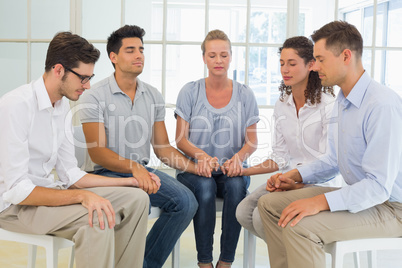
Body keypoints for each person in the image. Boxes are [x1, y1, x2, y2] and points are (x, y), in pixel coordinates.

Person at [257, 20, 402, 268]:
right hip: (359, 196)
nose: (315, 67)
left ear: (346, 56)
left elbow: (378, 187)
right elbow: (334, 160)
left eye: (321, 59)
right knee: (268, 204)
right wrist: (293, 175)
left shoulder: (382, 105)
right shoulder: (343, 100)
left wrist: (318, 202)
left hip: (391, 208)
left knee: (300, 227)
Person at [0, 32, 149, 268]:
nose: (88, 86)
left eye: (90, 78)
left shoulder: (61, 108)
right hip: (15, 207)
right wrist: (82, 196)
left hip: (47, 195)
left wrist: (129, 182)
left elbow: (70, 173)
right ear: (59, 70)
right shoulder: (15, 105)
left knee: (138, 199)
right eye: (82, 78)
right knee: (97, 219)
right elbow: (18, 190)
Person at [78, 25, 198, 268]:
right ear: (113, 57)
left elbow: (162, 148)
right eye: (130, 50)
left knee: (187, 202)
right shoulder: (94, 95)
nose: (139, 55)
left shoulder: (152, 95)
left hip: (142, 172)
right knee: (141, 201)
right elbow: (97, 152)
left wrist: (197, 168)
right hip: (104, 174)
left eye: (141, 50)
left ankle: (142, 264)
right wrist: (134, 168)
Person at [236, 36, 342, 241]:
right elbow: (280, 156)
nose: (285, 69)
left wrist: (295, 181)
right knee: (244, 212)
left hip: (318, 184)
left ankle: (291, 255)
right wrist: (244, 170)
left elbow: (329, 163)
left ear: (311, 65)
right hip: (288, 180)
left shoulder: (328, 106)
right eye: (282, 63)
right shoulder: (282, 104)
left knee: (261, 217)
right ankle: (288, 251)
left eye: (292, 64)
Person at [175, 29, 259, 268]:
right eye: (212, 55)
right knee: (204, 185)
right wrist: (201, 157)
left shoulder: (245, 94)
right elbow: (181, 140)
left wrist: (238, 158)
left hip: (231, 171)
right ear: (204, 58)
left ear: (231, 57)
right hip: (194, 171)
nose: (218, 60)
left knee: (235, 185)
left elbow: (251, 141)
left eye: (224, 55)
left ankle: (225, 261)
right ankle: (204, 262)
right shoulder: (189, 92)